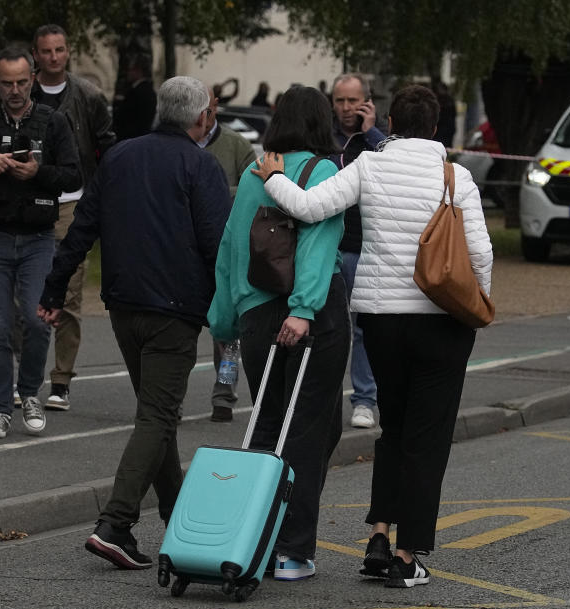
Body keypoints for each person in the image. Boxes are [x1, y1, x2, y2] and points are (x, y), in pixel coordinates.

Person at [253, 84, 493, 588]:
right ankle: (407, 557)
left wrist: (274, 179)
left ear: (389, 120)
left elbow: (309, 207)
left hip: (381, 321)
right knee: (427, 442)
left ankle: (379, 535)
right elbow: (482, 255)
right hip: (442, 322)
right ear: (436, 128)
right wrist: (478, 307)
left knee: (394, 430)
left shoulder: (368, 166)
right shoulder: (457, 176)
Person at [38, 76, 230, 570]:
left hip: (124, 306)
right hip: (175, 311)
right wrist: (228, 309)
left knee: (155, 414)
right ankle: (115, 523)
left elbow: (82, 228)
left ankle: (178, 517)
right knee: (158, 417)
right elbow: (218, 245)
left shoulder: (120, 157)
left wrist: (54, 289)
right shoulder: (200, 165)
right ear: (201, 116)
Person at [208, 85, 350, 581]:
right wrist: (306, 307)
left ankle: (255, 540)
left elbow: (230, 247)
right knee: (311, 429)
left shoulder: (255, 172)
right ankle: (291, 548)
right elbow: (320, 244)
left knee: (268, 425)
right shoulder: (323, 171)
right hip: (307, 315)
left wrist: (225, 319)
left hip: (255, 315)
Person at [0, 47, 81, 439]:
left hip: (39, 237)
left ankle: (30, 394)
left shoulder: (53, 123)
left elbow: (73, 177)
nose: (15, 90)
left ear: (33, 78)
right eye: (7, 83)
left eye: (22, 81)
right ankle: (0, 409)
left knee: (38, 323)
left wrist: (38, 173)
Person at [31, 24, 116, 411]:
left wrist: (100, 198)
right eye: (46, 51)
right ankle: (23, 376)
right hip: (27, 203)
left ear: (68, 52)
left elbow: (106, 146)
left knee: (68, 292)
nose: (53, 57)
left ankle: (61, 379)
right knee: (26, 292)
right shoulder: (19, 91)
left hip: (73, 201)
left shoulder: (88, 96)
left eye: (60, 50)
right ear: (36, 54)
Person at [199, 86, 257, 423]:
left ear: (216, 107)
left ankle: (224, 392)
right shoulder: (181, 143)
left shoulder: (236, 145)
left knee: (225, 329)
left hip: (226, 249)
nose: (202, 116)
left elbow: (254, 188)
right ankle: (169, 400)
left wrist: (212, 190)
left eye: (207, 108)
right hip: (185, 250)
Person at [330, 73, 384, 429]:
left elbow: (392, 164)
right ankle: (327, 399)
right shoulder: (323, 137)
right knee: (331, 328)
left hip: (364, 246)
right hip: (330, 248)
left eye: (353, 101)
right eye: (340, 101)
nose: (347, 108)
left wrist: (372, 132)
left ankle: (364, 400)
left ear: (366, 102)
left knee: (364, 328)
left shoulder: (376, 142)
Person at [113, 55, 156, 140]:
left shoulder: (136, 92)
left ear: (138, 71)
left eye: (130, 70)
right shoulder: (150, 91)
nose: (128, 73)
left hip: (130, 138)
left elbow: (125, 118)